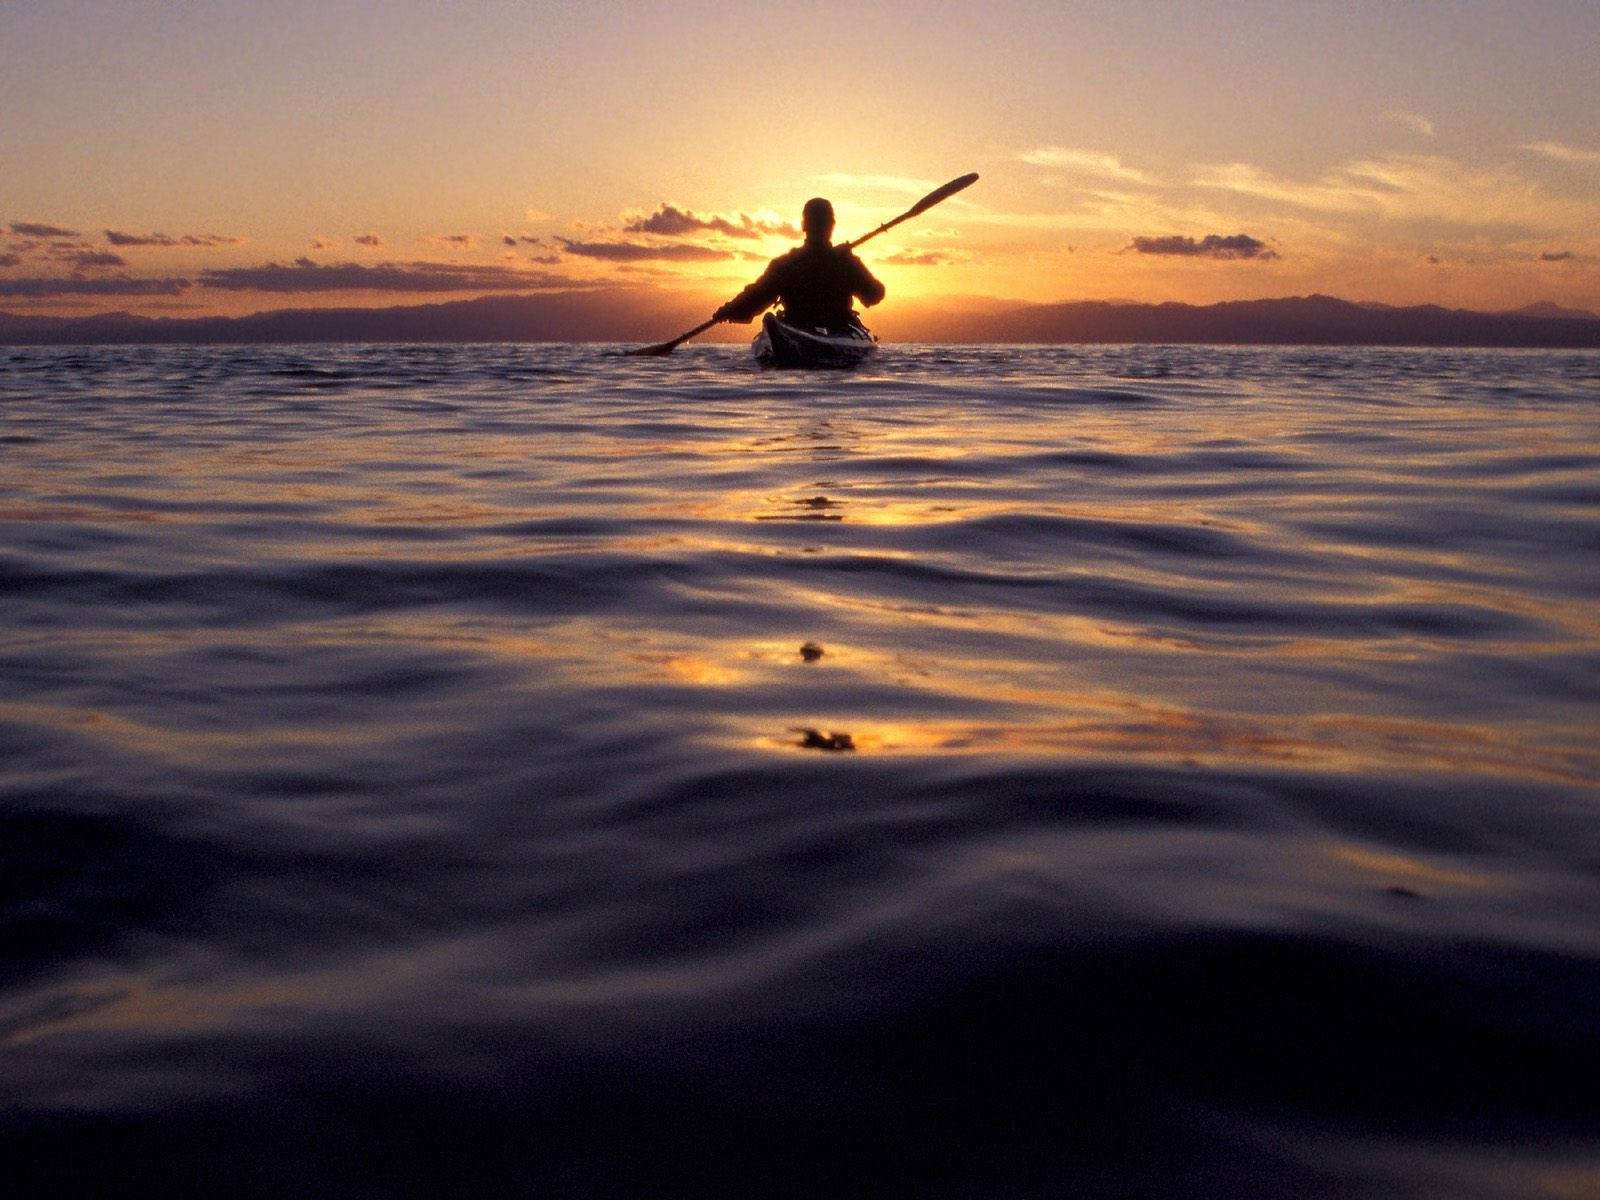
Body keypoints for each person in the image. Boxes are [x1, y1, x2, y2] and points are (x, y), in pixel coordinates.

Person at [713, 198, 885, 331]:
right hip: (830, 327)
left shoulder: (786, 264)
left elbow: (756, 297)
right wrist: (729, 309)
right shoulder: (846, 262)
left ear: (804, 225)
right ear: (831, 226)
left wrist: (729, 309)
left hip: (816, 326)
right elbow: (875, 293)